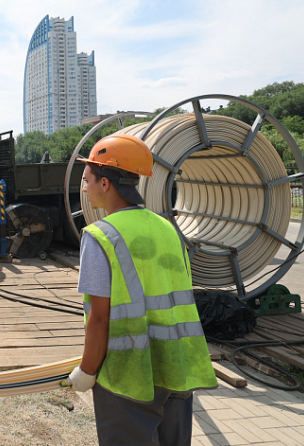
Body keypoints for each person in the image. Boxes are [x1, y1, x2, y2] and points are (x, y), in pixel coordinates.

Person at [66, 135, 217, 446]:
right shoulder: (168, 229)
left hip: (128, 375)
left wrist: (87, 370)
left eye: (87, 179)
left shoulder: (100, 236)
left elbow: (99, 319)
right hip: (176, 366)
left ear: (105, 184)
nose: (83, 188)